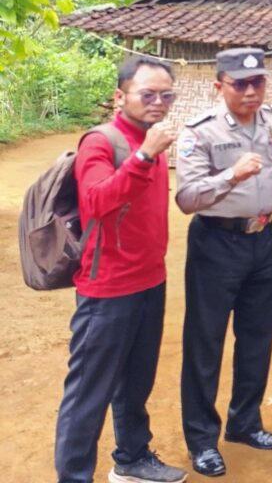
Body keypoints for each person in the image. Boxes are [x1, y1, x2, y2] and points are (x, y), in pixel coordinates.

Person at [54, 57, 187, 483]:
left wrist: (150, 149)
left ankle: (131, 459)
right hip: (107, 288)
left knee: (136, 381)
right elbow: (95, 202)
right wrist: (144, 155)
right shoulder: (102, 141)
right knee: (89, 391)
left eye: (167, 95)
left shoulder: (155, 140)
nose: (159, 103)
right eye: (148, 94)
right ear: (120, 96)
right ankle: (74, 475)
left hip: (150, 279)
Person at [175, 47, 272, 477]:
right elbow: (186, 199)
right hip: (215, 243)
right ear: (219, 85)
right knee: (205, 343)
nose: (250, 91)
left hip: (264, 239)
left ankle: (245, 421)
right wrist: (231, 177)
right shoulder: (199, 133)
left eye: (257, 82)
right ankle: (202, 439)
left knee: (257, 337)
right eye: (239, 83)